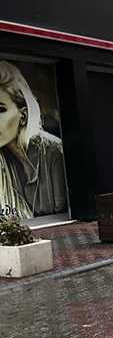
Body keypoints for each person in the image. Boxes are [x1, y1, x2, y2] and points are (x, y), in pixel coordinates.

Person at [0, 60, 66, 220]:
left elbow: (63, 216)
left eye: (0, 109)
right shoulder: (3, 161)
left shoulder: (53, 152)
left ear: (23, 115)